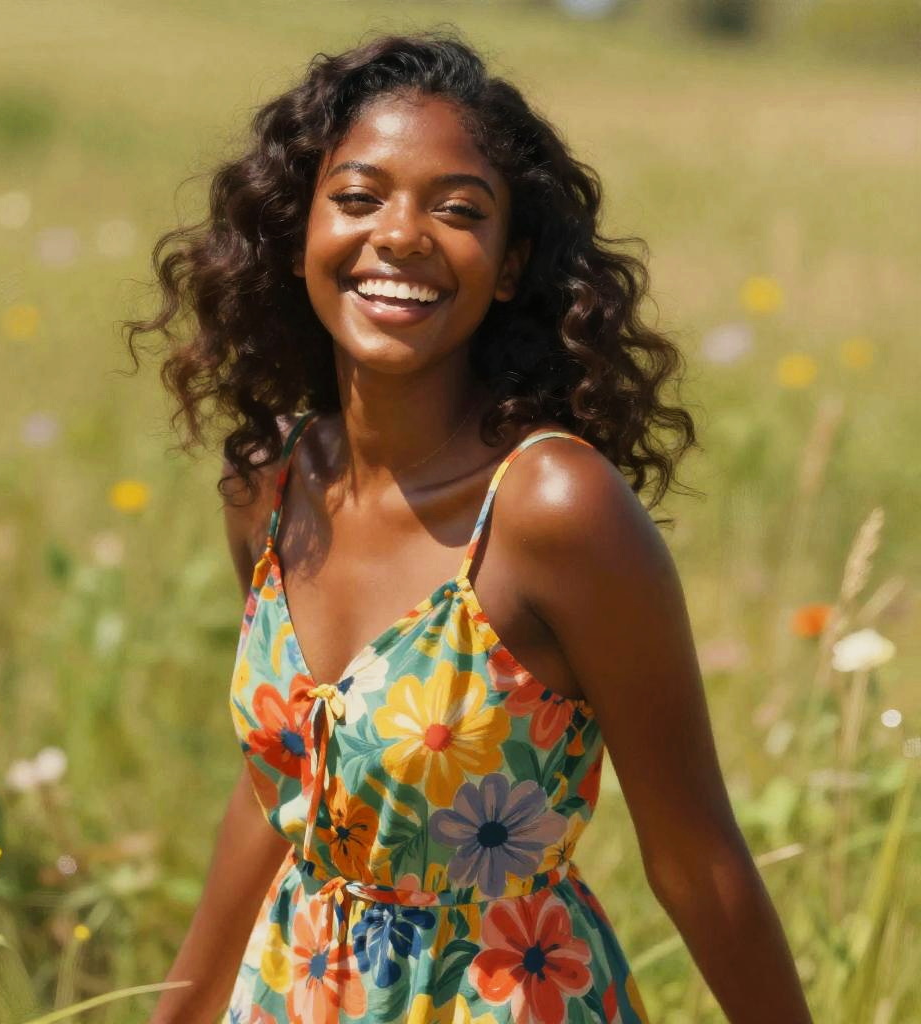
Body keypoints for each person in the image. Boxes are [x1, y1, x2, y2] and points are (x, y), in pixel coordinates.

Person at [128, 31, 813, 1024]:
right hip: (296, 996)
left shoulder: (553, 509)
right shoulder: (270, 485)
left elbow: (696, 859)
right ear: (296, 234)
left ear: (506, 266)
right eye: (358, 198)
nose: (400, 235)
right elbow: (277, 790)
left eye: (457, 211)